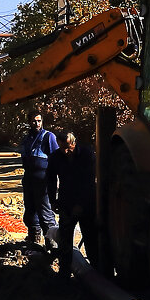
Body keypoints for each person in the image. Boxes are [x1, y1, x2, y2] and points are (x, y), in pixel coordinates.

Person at [46, 131, 98, 278]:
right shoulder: (56, 157)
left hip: (86, 202)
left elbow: (89, 182)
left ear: (74, 143)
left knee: (91, 238)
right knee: (65, 240)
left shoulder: (87, 155)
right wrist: (52, 201)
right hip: (66, 202)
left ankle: (97, 272)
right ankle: (64, 274)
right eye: (62, 148)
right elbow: (50, 179)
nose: (66, 151)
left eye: (68, 147)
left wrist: (81, 205)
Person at [19, 111, 58, 245]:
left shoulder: (48, 137)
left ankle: (51, 242)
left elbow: (56, 159)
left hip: (43, 181)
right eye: (34, 121)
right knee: (30, 210)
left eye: (39, 121)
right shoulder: (27, 138)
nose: (37, 123)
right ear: (29, 121)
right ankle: (34, 239)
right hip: (29, 178)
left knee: (45, 212)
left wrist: (54, 181)